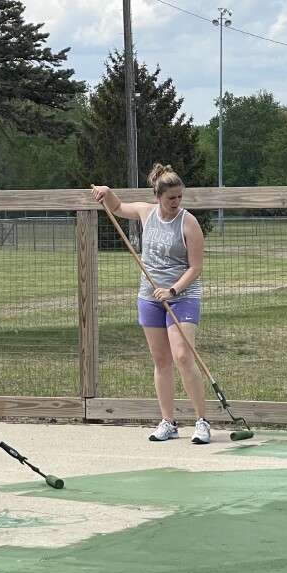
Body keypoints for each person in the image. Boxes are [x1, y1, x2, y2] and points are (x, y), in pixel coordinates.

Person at [91, 164, 211, 444]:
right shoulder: (146, 213)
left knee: (182, 355)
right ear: (158, 196)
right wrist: (106, 193)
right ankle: (168, 422)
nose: (176, 203)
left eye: (180, 197)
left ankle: (202, 421)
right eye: (171, 198)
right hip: (149, 296)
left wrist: (172, 289)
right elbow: (118, 207)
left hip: (181, 296)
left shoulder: (188, 222)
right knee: (160, 360)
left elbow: (195, 267)